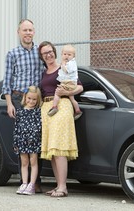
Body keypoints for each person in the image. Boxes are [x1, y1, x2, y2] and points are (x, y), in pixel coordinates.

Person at [1, 19, 45, 193]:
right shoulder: (12, 54)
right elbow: (7, 80)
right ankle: (23, 181)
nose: (28, 33)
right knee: (23, 140)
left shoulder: (39, 52)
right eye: (24, 30)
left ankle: (36, 182)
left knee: (36, 140)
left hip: (37, 101)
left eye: (30, 30)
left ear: (34, 32)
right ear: (18, 32)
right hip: (19, 99)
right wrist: (9, 103)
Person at [38, 41, 83, 197]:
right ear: (42, 57)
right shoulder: (43, 73)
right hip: (46, 108)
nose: (48, 55)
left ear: (55, 52)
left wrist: (65, 92)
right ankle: (58, 186)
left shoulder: (65, 67)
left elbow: (79, 87)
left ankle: (63, 187)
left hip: (62, 105)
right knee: (53, 149)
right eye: (45, 53)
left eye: (50, 51)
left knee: (59, 146)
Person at [13, 86, 42, 195]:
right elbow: (16, 128)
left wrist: (34, 137)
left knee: (33, 162)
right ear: (25, 97)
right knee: (24, 163)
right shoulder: (20, 112)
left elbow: (39, 127)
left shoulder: (38, 112)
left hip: (33, 142)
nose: (31, 101)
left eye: (34, 99)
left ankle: (32, 185)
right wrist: (16, 142)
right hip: (22, 141)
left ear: (37, 100)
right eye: (29, 98)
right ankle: (24, 183)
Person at [47, 44, 82, 120]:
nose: (66, 56)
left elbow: (67, 71)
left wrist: (63, 65)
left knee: (57, 93)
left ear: (73, 56)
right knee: (72, 98)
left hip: (68, 83)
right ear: (61, 55)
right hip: (70, 83)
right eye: (65, 54)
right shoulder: (69, 63)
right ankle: (77, 110)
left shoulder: (71, 63)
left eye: (69, 55)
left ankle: (54, 106)